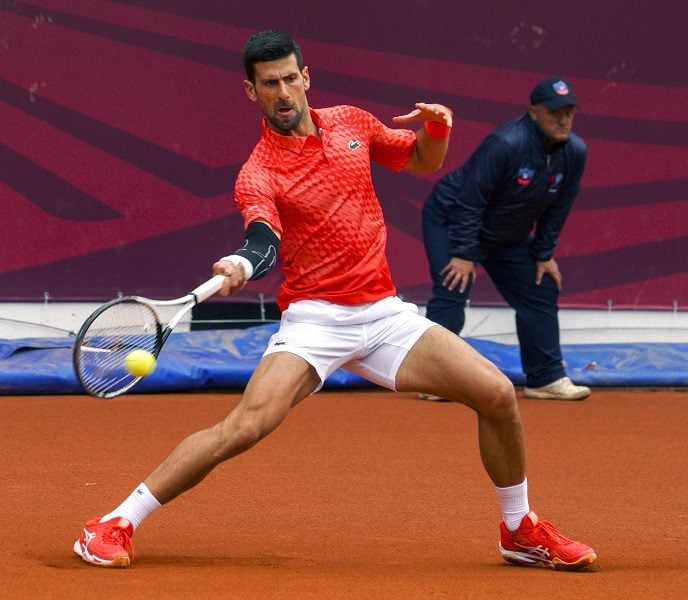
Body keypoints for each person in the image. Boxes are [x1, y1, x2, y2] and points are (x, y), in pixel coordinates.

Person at [73, 30, 595, 571]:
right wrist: (242, 263)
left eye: (289, 79)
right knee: (245, 427)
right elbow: (262, 238)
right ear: (251, 91)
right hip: (315, 322)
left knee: (498, 394)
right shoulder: (258, 172)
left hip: (384, 314)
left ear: (306, 78)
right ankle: (114, 523)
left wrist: (438, 128)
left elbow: (422, 160)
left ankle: (518, 530)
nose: (282, 93)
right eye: (269, 84)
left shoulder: (352, 122)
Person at [419, 77, 591, 402]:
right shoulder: (506, 143)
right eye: (555, 112)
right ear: (534, 113)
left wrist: (543, 253)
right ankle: (433, 380)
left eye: (569, 113)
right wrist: (464, 253)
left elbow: (558, 207)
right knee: (452, 287)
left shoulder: (575, 152)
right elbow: (470, 200)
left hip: (505, 233)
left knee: (540, 288)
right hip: (453, 218)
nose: (563, 120)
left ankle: (545, 379)